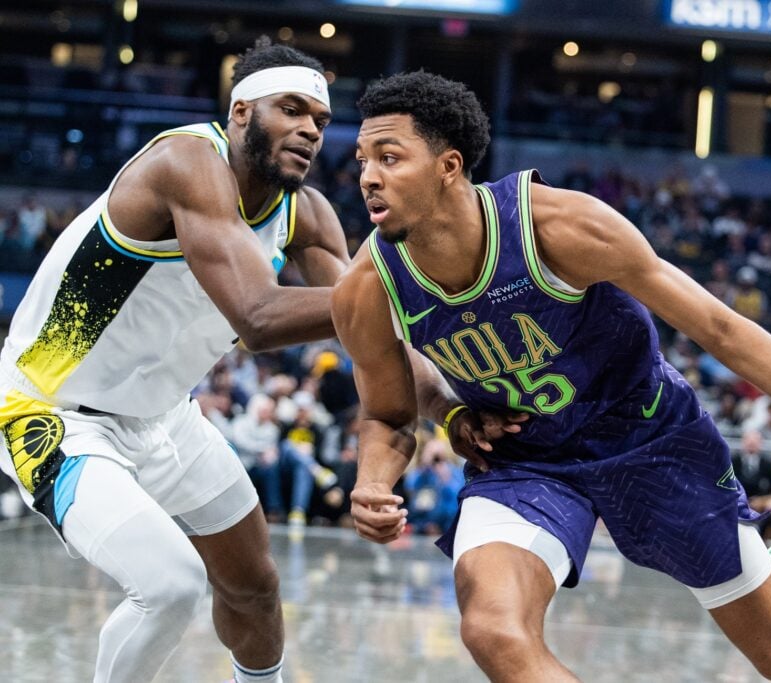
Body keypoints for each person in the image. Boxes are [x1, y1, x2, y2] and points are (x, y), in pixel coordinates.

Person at [332, 71, 771, 683]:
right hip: (527, 461)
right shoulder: (365, 289)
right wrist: (375, 480)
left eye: (389, 157)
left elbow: (717, 327)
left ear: (448, 166)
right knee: (492, 629)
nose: (368, 175)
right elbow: (386, 413)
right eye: (364, 158)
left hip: (651, 440)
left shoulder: (558, 227)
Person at [0, 41, 483, 683]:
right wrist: (401, 290)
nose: (309, 130)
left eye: (319, 120)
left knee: (254, 587)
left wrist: (451, 413)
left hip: (165, 420)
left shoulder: (306, 214)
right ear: (241, 113)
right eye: (290, 110)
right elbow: (257, 318)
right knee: (170, 588)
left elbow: (372, 334)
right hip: (52, 413)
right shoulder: (186, 162)